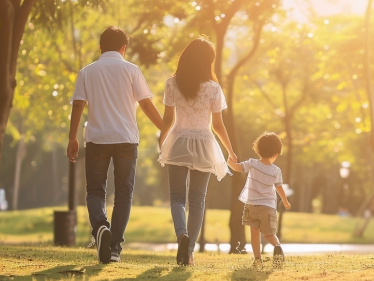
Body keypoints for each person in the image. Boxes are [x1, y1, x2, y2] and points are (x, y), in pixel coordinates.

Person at [67, 26, 162, 264]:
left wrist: (72, 137)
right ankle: (115, 247)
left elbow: (78, 105)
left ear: (100, 47)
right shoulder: (132, 70)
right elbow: (147, 105)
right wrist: (166, 129)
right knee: (124, 194)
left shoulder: (87, 72)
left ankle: (100, 227)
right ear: (124, 48)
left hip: (97, 139)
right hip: (126, 140)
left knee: (96, 191)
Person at [158, 37, 236, 266]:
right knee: (197, 200)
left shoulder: (172, 83)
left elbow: (168, 118)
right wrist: (230, 152)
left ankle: (181, 234)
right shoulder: (213, 88)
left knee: (176, 198)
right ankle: (189, 251)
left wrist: (162, 142)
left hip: (179, 141)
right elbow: (218, 125)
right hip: (204, 144)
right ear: (207, 61)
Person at [227, 132, 291, 267]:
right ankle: (277, 246)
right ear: (275, 154)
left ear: (258, 150)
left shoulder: (252, 163)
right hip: (268, 207)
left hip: (252, 206)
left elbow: (238, 167)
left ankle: (257, 260)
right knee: (269, 234)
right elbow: (279, 187)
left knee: (254, 234)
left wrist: (229, 163)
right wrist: (285, 201)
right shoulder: (276, 170)